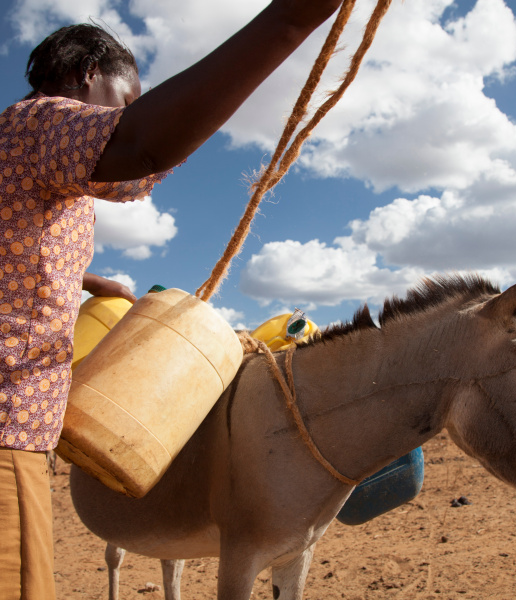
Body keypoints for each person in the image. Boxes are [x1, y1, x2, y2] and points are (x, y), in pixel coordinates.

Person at [0, 2, 344, 598]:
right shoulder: (39, 124)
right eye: (125, 98)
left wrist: (91, 280)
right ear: (86, 76)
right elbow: (141, 148)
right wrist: (290, 21)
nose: (128, 112)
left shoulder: (23, 155)